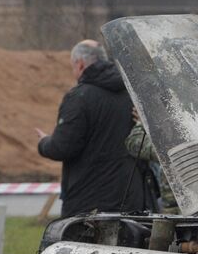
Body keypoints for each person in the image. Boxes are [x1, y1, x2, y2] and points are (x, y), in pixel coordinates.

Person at [37, 40, 152, 217]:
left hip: (88, 201)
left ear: (80, 64)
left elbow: (63, 147)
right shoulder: (133, 94)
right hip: (131, 197)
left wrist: (44, 143)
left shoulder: (79, 97)